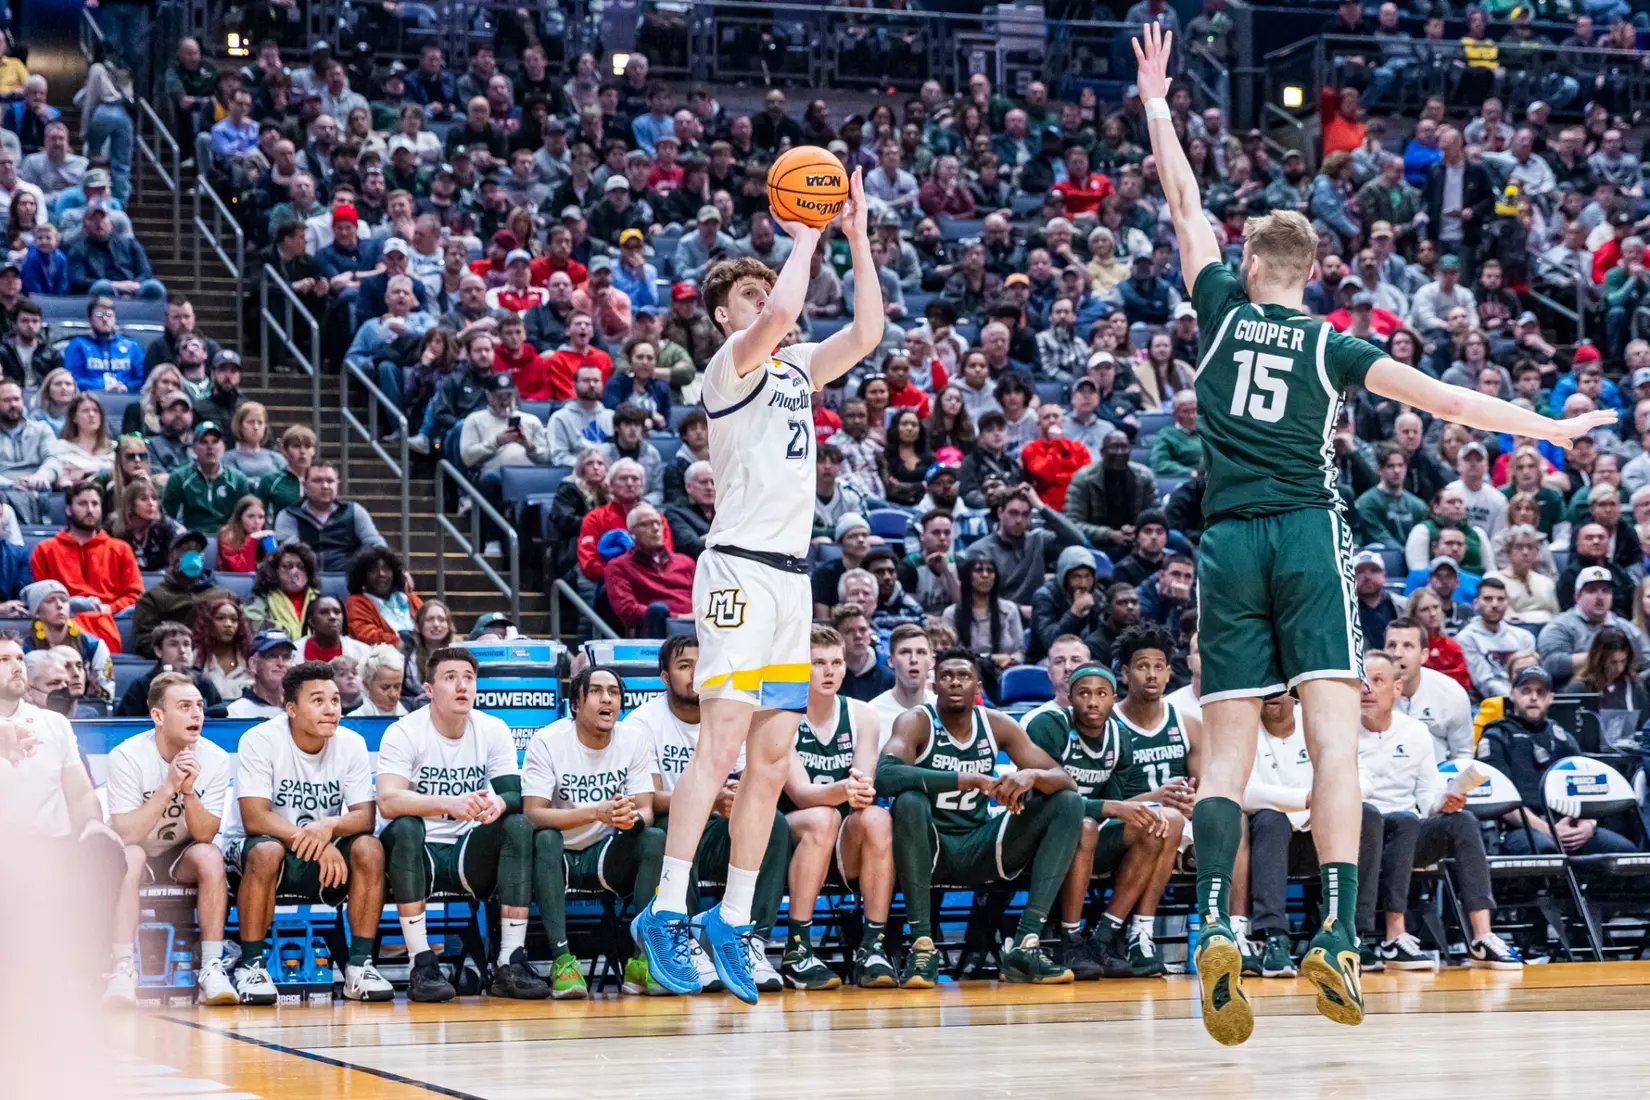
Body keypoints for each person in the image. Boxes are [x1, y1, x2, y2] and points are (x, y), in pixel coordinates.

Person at [1133, 20, 1608, 1047]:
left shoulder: (1215, 305)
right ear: (1313, 272)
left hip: (1225, 540)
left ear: (1251, 259)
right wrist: (1552, 427)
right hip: (1306, 532)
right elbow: (1445, 398)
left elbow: (1182, 203)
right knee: (1335, 744)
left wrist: (1162, 104)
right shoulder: (1332, 344)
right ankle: (1340, 935)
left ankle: (1217, 916)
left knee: (1222, 757)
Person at [630, 169, 885, 1004]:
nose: (767, 300)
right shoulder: (729, 368)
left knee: (773, 761)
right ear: (722, 316)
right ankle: (666, 907)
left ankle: (732, 919)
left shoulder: (797, 370)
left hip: (791, 579)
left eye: (763, 286)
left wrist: (854, 234)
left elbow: (869, 332)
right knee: (725, 742)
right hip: (737, 569)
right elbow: (780, 314)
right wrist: (804, 226)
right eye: (747, 292)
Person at [879, 649, 1084, 986]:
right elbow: (884, 777)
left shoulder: (998, 724)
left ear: (977, 684)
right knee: (910, 802)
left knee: (1067, 803)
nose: (955, 682)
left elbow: (1066, 780)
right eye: (947, 676)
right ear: (934, 682)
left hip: (981, 846)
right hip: (928, 848)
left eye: (963, 676)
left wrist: (1031, 775)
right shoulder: (916, 720)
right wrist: (965, 779)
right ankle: (922, 946)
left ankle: (1026, 944)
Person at [376, 647, 548, 1002]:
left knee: (517, 824)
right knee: (407, 827)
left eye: (468, 678)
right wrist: (447, 804)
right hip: (416, 854)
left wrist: (500, 802)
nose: (462, 686)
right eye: (450, 678)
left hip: (468, 855)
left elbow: (516, 795)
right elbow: (388, 800)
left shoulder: (493, 728)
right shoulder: (404, 731)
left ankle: (509, 961)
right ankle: (420, 962)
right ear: (428, 689)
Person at [224, 661, 392, 1004]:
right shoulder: (259, 740)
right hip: (258, 853)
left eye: (334, 700)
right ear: (291, 709)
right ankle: (252, 965)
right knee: (266, 851)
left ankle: (359, 966)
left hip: (318, 853)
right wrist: (317, 844)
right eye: (318, 701)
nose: (331, 709)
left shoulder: (352, 743)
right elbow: (255, 817)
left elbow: (365, 817)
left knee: (369, 848)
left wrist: (327, 826)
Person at [1358, 649, 1522, 970]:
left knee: (1462, 821)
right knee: (1402, 821)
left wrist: (1444, 801)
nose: (1367, 689)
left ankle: (1482, 937)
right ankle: (1395, 937)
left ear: (1397, 689)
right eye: (1362, 682)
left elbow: (1427, 794)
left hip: (1408, 834)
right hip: (1358, 836)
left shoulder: (1415, 731)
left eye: (1378, 681)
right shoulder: (1341, 730)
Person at [1026, 661, 1187, 981]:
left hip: (1091, 834)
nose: (1093, 701)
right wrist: (1110, 808)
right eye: (1084, 693)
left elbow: (1118, 804)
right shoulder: (1048, 726)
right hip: (1039, 835)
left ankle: (1104, 936)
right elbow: (1045, 803)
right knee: (1083, 826)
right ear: (1070, 697)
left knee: (1156, 823)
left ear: (1114, 698)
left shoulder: (1119, 736)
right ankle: (1069, 939)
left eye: (1101, 694)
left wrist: (1143, 806)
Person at [522, 666, 664, 998]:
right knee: (545, 838)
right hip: (558, 854)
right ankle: (563, 961)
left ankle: (641, 961)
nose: (607, 699)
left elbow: (647, 809)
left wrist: (632, 819)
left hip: (605, 852)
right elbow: (532, 814)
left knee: (653, 838)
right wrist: (596, 812)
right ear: (576, 703)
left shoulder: (633, 740)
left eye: (614, 693)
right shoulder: (548, 741)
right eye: (598, 691)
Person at [103, 671, 238, 1005]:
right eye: (185, 706)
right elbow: (127, 833)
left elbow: (205, 834)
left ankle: (211, 966)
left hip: (183, 852)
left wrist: (189, 792)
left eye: (199, 706)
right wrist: (167, 787)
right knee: (130, 856)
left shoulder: (216, 758)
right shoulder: (127, 756)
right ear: (158, 716)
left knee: (210, 856)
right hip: (138, 849)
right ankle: (122, 968)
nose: (196, 714)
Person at [777, 626, 897, 989]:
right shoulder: (782, 717)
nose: (829, 671)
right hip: (791, 834)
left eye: (836, 662)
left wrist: (858, 791)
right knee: (821, 816)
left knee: (877, 817)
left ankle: (872, 948)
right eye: (817, 663)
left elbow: (863, 781)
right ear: (800, 668)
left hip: (843, 840)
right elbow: (799, 792)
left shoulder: (862, 715)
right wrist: (846, 789)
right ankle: (797, 948)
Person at [1244, 691, 1385, 976]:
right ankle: (1274, 939)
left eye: (1278, 687)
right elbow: (1245, 792)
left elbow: (1364, 779)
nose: (1271, 693)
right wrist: (1309, 799)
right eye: (1265, 687)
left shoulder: (1319, 723)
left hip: (1323, 841)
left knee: (1368, 815)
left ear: (1293, 692)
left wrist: (1330, 799)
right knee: (1271, 819)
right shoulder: (1244, 728)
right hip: (1268, 845)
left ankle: (1352, 934)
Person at [1477, 665, 1641, 856]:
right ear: (1512, 695)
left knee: (1624, 852)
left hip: (1567, 826)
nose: (1533, 698)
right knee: (1547, 849)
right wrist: (1548, 829)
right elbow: (1500, 799)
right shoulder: (1496, 737)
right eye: (1526, 691)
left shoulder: (1563, 737)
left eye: (1541, 692)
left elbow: (1586, 790)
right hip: (1519, 829)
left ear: (1550, 698)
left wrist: (1588, 824)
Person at [128, 530, 234, 659]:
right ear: (173, 558)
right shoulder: (153, 597)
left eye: (198, 551)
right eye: (185, 550)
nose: (193, 555)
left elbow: (242, 635)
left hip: (217, 659)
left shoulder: (225, 595)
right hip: (175, 663)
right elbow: (143, 642)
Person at [273, 463, 386, 572]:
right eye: (317, 481)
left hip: (350, 579)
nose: (325, 486)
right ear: (304, 485)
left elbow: (375, 543)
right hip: (305, 579)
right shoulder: (289, 515)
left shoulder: (354, 511)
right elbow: (290, 552)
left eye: (330, 481)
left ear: (337, 484)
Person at [161, 422, 252, 536]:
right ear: (194, 448)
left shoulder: (238, 479)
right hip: (191, 538)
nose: (210, 447)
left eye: (215, 442)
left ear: (223, 446)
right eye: (204, 442)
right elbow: (167, 517)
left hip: (228, 538)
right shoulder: (179, 477)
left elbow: (245, 515)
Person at [1456, 577, 1537, 701]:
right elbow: (1483, 681)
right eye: (1488, 599)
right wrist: (1514, 698)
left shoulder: (1524, 637)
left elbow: (1532, 676)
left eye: (1500, 599)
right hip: (1486, 704)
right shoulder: (1466, 639)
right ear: (1476, 603)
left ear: (1508, 603)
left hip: (1524, 700)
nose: (1495, 604)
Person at [868, 623, 936, 745]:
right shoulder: (871, 714)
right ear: (890, 661)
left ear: (932, 661)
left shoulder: (943, 709)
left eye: (921, 652)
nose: (914, 659)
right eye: (905, 652)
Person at [226, 630, 297, 719]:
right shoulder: (236, 713)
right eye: (272, 656)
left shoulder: (301, 709)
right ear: (253, 664)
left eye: (286, 657)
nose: (280, 663)